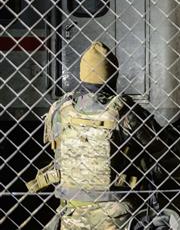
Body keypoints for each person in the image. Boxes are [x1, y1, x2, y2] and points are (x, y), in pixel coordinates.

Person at [27, 42, 171, 229]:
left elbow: (55, 148)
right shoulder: (124, 112)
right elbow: (162, 145)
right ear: (113, 75)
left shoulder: (60, 110)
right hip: (115, 216)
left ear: (81, 75)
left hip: (71, 214)